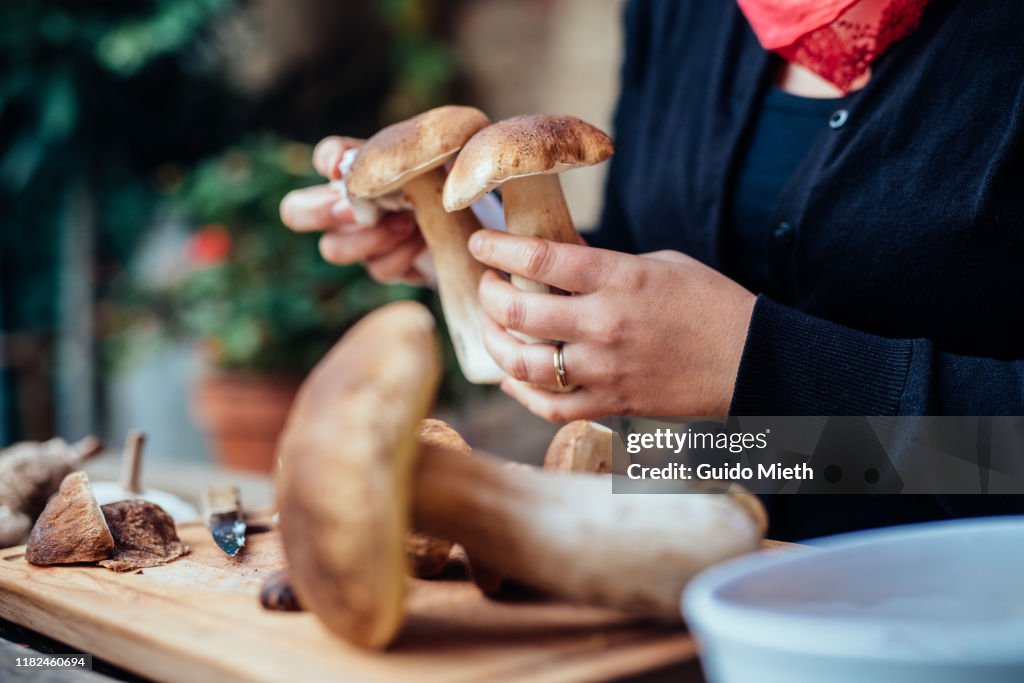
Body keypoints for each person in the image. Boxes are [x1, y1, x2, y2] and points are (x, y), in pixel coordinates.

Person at [280, 0, 1024, 540]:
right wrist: (482, 243)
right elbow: (663, 281)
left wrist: (756, 365)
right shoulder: (681, 13)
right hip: (675, 575)